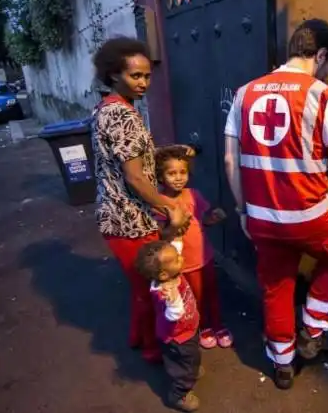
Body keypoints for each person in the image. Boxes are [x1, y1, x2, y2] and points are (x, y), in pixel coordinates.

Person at [223, 19, 328, 389]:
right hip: (312, 217)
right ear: (322, 55)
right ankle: (314, 329)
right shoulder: (325, 97)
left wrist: (243, 212)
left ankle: (282, 365)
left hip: (263, 219)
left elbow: (230, 163)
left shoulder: (244, 94)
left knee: (276, 285)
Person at [91, 36, 193, 364]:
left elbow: (129, 159)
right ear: (113, 75)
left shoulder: (109, 109)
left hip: (118, 216)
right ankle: (152, 351)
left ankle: (138, 338)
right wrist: (171, 206)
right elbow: (135, 177)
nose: (143, 82)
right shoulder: (122, 116)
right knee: (153, 288)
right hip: (128, 220)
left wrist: (164, 151)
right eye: (135, 76)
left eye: (147, 75)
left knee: (140, 286)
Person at [153, 147, 234, 349]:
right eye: (172, 173)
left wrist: (213, 217)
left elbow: (203, 220)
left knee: (212, 293)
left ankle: (218, 325)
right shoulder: (160, 202)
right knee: (195, 297)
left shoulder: (193, 194)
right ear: (160, 176)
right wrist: (174, 223)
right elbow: (161, 235)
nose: (179, 178)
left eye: (183, 172)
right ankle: (204, 326)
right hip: (184, 263)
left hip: (204, 256)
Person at [136, 240, 204, 412]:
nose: (181, 258)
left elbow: (175, 247)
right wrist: (173, 300)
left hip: (188, 329)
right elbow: (175, 315)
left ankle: (191, 368)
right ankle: (179, 393)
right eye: (176, 259)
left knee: (191, 356)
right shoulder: (165, 293)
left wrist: (177, 235)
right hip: (178, 337)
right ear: (163, 275)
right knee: (184, 365)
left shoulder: (170, 273)